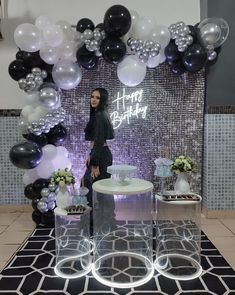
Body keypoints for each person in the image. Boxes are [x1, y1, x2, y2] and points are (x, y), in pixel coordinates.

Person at [83, 87, 115, 234]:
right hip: (99, 153)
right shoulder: (99, 114)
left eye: (97, 97)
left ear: (102, 100)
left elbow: (99, 139)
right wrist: (90, 156)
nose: (93, 99)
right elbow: (96, 140)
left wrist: (94, 163)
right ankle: (102, 223)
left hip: (101, 156)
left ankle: (101, 225)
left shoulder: (100, 115)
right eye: (92, 96)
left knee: (98, 190)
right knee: (96, 189)